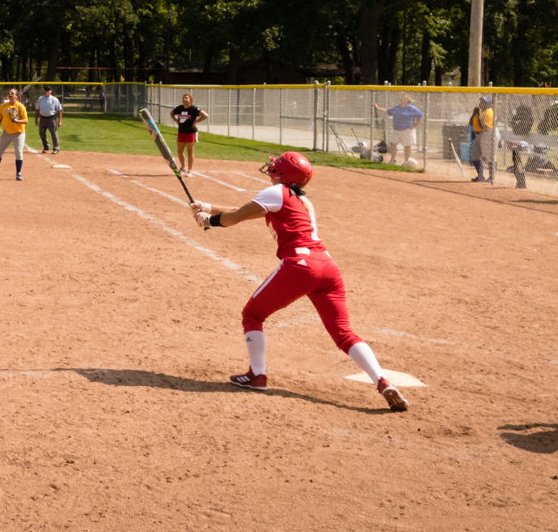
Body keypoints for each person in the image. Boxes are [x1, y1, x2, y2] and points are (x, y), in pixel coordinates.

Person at [189, 152, 409, 411]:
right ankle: (382, 381)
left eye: (276, 165)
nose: (271, 166)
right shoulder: (302, 201)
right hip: (328, 267)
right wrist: (208, 208)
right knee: (344, 334)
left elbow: (236, 217)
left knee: (252, 314)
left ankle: (257, 375)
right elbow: (244, 211)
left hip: (300, 266)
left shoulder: (276, 192)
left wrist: (210, 221)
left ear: (282, 173)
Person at [0, 88, 29, 181]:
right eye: (9, 92)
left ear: (16, 96)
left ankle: (18, 173)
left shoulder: (20, 106)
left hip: (19, 133)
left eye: (12, 93)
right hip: (6, 133)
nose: (10, 94)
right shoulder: (3, 106)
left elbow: (26, 120)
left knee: (18, 153)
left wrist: (17, 121)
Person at [373, 93, 424, 166]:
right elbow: (388, 111)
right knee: (392, 143)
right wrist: (378, 107)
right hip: (396, 129)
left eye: (404, 98)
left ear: (408, 100)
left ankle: (406, 161)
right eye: (401, 98)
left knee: (407, 146)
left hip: (407, 130)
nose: (402, 99)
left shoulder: (411, 108)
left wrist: (415, 125)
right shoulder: (397, 107)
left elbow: (421, 115)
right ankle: (393, 159)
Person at [170, 93, 209, 176]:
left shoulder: (193, 109)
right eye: (183, 98)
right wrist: (176, 121)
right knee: (180, 150)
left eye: (186, 98)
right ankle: (183, 168)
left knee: (190, 151)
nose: (184, 99)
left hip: (191, 132)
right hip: (181, 132)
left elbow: (205, 115)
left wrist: (196, 121)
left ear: (190, 100)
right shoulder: (179, 108)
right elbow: (172, 114)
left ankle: (190, 170)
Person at [468, 96, 495, 182]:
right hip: (478, 136)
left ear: (488, 104)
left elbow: (484, 127)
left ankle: (491, 177)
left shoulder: (488, 112)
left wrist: (478, 115)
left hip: (486, 135)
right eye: (481, 101)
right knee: (474, 156)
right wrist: (474, 113)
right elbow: (471, 123)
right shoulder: (480, 112)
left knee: (489, 157)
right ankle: (480, 176)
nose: (481, 103)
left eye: (484, 102)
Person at [34, 86, 64, 154]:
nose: (46, 92)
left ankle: (56, 148)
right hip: (42, 118)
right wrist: (36, 119)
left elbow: (59, 110)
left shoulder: (54, 99)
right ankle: (46, 147)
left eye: (47, 91)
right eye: (45, 91)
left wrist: (59, 121)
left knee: (54, 133)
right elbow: (37, 109)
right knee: (41, 133)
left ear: (50, 91)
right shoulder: (40, 99)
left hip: (51, 118)